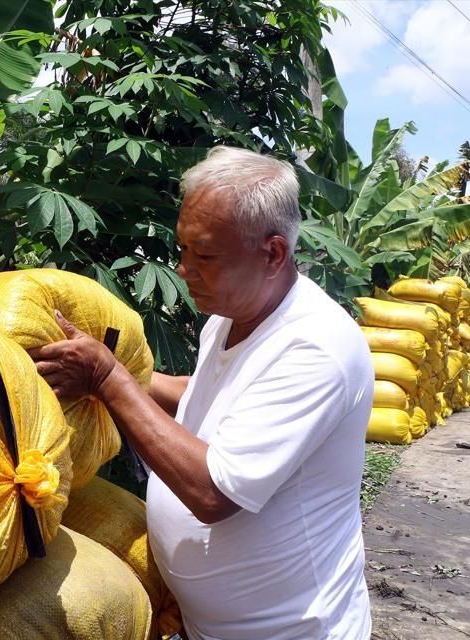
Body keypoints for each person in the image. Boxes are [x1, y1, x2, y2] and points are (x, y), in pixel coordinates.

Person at [30, 146, 373, 640]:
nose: (185, 269)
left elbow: (214, 492)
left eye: (206, 254)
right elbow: (213, 395)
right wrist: (118, 377)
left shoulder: (318, 347)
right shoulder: (230, 316)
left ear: (273, 253)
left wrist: (110, 379)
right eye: (183, 248)